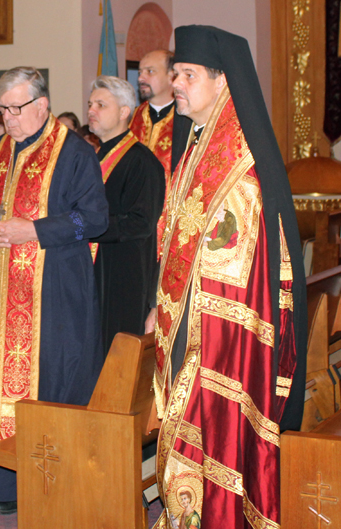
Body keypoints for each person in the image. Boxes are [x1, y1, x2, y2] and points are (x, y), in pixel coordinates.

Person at [146, 26, 307, 528]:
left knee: (208, 434)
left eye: (187, 75)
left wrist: (188, 324)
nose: (176, 82)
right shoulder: (195, 144)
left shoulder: (240, 164)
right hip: (180, 322)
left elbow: (235, 273)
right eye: (175, 73)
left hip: (218, 340)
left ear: (221, 82)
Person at [0, 67, 108, 515]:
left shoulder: (73, 154)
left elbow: (95, 219)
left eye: (16, 108)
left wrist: (32, 230)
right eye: (2, 110)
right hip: (2, 300)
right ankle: (4, 485)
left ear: (42, 106)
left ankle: (53, 483)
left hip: (55, 298)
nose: (8, 118)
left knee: (51, 386)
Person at [88, 75, 165, 355]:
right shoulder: (93, 158)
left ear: (123, 112)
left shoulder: (142, 162)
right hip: (93, 272)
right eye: (90, 104)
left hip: (123, 279)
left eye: (100, 104)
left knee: (113, 358)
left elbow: (140, 223)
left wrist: (84, 226)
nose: (91, 111)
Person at [129, 50, 175, 256]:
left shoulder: (185, 119)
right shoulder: (132, 118)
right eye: (140, 72)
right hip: (134, 225)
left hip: (171, 226)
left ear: (171, 76)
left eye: (150, 71)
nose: (140, 78)